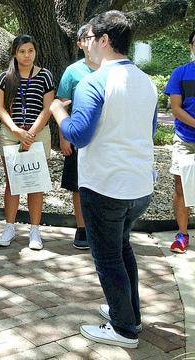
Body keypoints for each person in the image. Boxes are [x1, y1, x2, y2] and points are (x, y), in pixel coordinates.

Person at [50, 10, 157, 348]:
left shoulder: (93, 82)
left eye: (90, 38)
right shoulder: (147, 81)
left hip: (105, 186)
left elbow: (78, 135)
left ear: (104, 40)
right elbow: (149, 130)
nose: (87, 44)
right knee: (122, 248)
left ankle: (123, 329)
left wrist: (56, 110)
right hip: (140, 187)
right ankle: (130, 314)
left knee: (108, 257)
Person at [0, 35, 55, 250]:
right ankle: (9, 226)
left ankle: (35, 230)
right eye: (22, 51)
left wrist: (30, 133)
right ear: (15, 53)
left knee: (35, 182)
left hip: (37, 134)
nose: (27, 55)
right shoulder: (4, 77)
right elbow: (0, 108)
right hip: (12, 134)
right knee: (13, 182)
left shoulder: (45, 76)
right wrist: (17, 131)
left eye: (30, 50)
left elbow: (47, 108)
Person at [57, 24, 99, 250]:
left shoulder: (110, 68)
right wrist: (64, 137)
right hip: (78, 135)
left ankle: (101, 229)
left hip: (105, 137)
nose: (90, 42)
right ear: (80, 43)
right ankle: (82, 228)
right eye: (86, 38)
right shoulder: (72, 71)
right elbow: (62, 103)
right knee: (78, 184)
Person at [165, 29, 195, 253]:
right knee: (181, 186)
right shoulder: (180, 73)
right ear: (191, 46)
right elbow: (176, 109)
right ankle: (182, 235)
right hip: (185, 139)